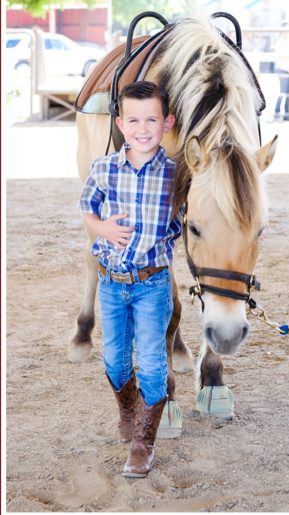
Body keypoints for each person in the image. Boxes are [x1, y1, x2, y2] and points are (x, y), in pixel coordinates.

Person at [79, 80, 179, 478]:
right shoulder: (103, 168)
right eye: (134, 120)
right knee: (115, 360)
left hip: (153, 283)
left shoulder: (175, 174)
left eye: (151, 120)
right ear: (120, 123)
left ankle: (143, 441)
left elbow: (196, 218)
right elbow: (86, 208)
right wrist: (101, 228)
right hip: (111, 282)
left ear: (167, 123)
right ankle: (127, 407)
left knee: (153, 363)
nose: (142, 128)